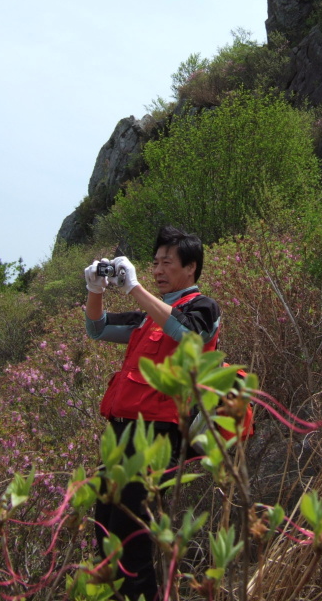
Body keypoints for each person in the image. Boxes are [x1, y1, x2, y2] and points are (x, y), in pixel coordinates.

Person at [83, 226, 221, 601]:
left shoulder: (202, 307)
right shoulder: (147, 316)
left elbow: (188, 334)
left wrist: (135, 288)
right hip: (120, 435)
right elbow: (97, 329)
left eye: (167, 263)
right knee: (105, 530)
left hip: (156, 438)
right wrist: (95, 289)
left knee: (134, 538)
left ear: (190, 268)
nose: (158, 270)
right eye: (154, 263)